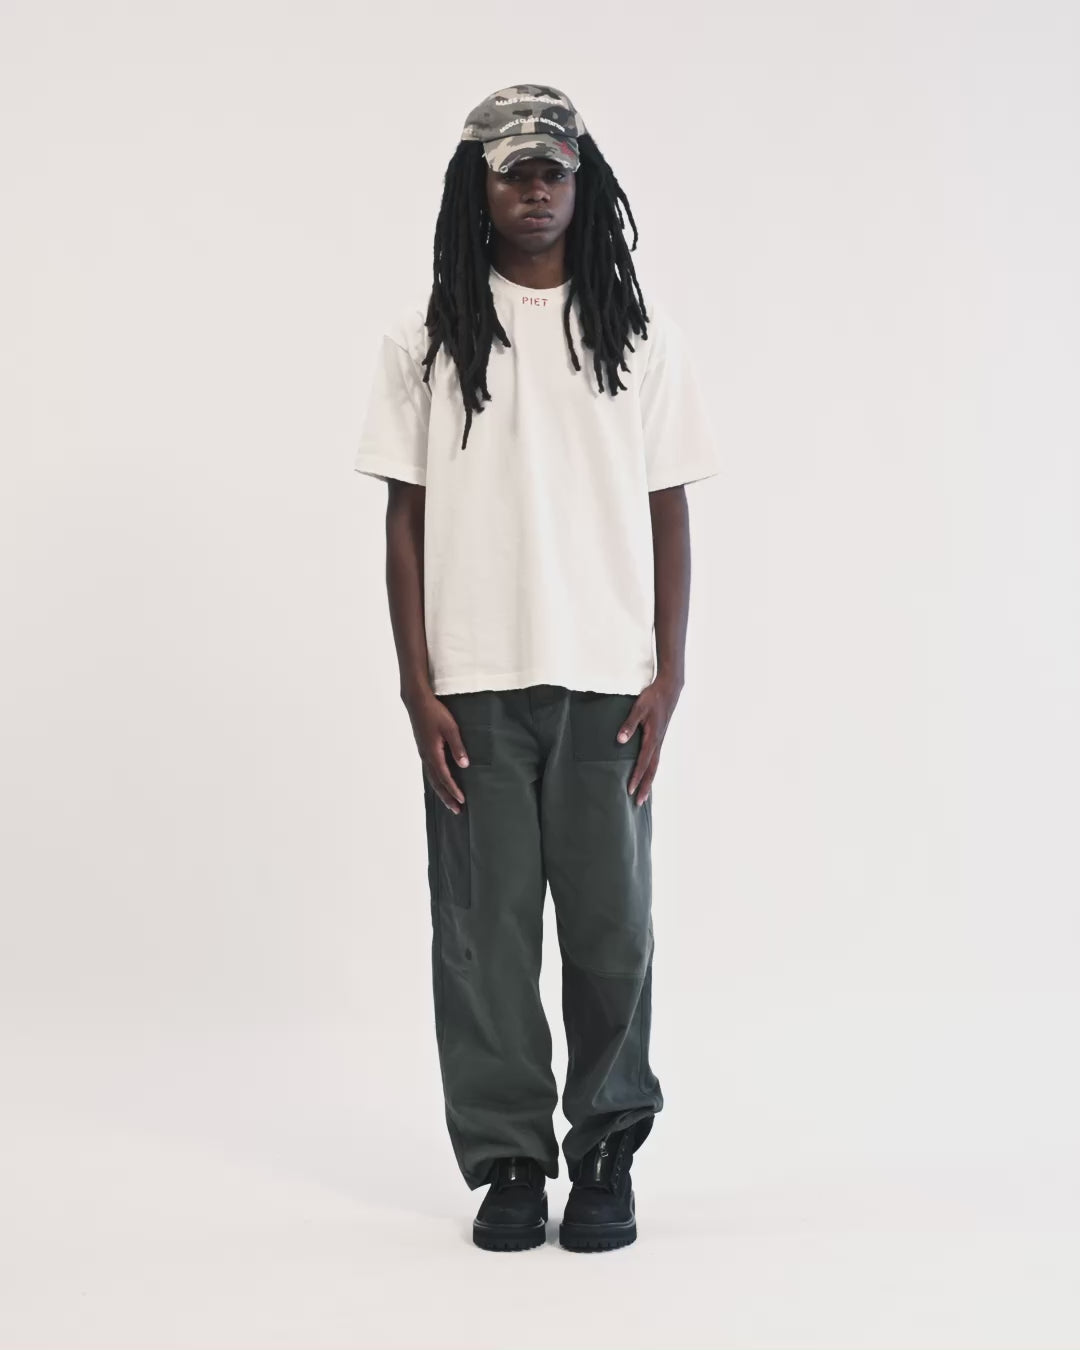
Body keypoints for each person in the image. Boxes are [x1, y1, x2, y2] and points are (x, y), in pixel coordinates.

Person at [354, 84, 720, 1252]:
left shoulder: (637, 339)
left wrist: (669, 672)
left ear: (583, 182)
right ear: (478, 185)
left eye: (553, 170)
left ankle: (606, 1146)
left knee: (613, 929)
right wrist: (417, 684)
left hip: (608, 680)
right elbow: (406, 519)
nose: (535, 190)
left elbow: (668, 509)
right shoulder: (426, 340)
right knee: (484, 935)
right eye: (513, 172)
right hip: (472, 684)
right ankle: (510, 1161)